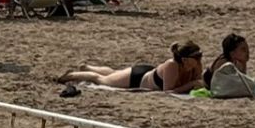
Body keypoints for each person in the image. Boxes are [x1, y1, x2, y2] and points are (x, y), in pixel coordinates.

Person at [62, 41, 203, 93]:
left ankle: (88, 67)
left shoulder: (195, 65)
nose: (199, 60)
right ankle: (70, 75)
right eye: (196, 57)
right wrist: (191, 84)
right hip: (137, 79)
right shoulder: (172, 65)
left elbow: (199, 81)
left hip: (149, 73)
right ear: (185, 59)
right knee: (102, 80)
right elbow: (168, 91)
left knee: (115, 73)